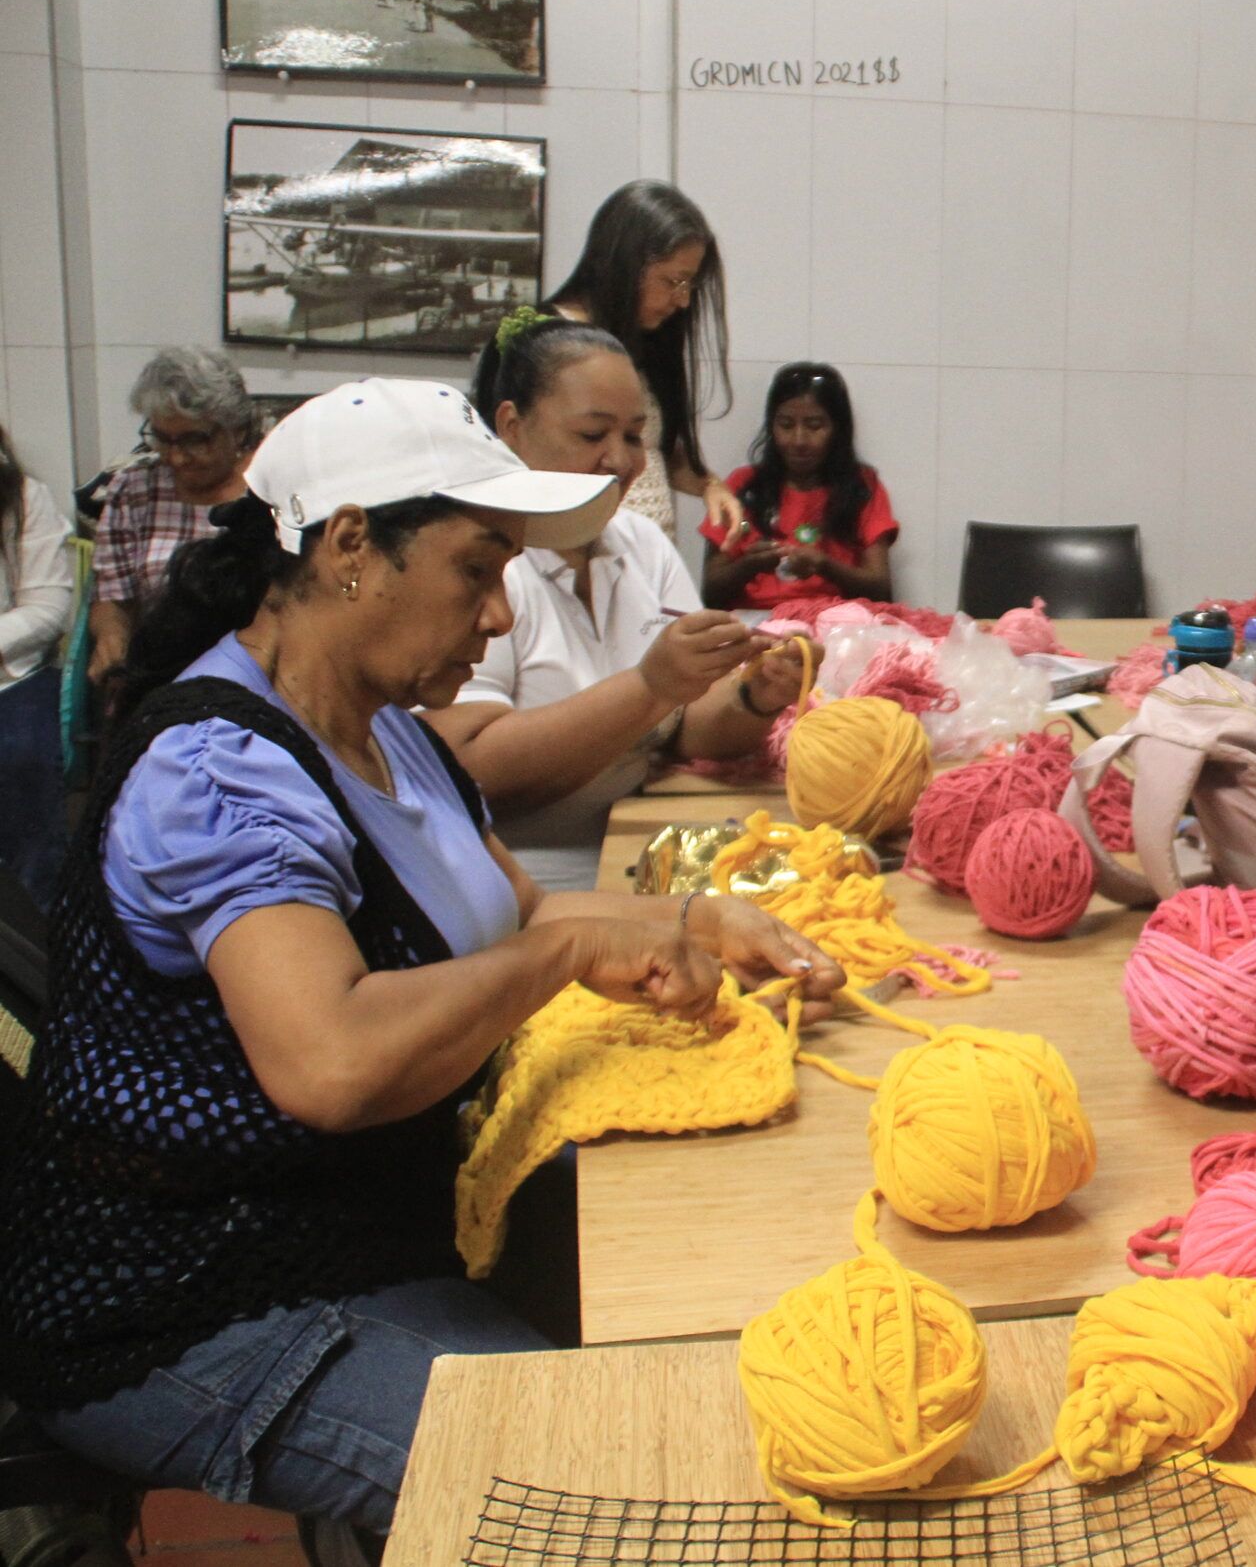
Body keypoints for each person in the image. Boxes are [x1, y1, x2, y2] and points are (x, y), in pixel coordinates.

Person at [0, 378, 845, 1535]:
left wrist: (699, 924)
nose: (499, 617)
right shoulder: (218, 771)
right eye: (475, 571)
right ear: (352, 548)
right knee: (621, 1489)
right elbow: (332, 1061)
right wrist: (571, 957)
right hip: (195, 1299)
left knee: (709, 1321)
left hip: (367, 1227)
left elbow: (517, 920)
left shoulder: (387, 726)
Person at [429, 313, 804, 892]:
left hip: (631, 851)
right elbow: (465, 766)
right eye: (591, 435)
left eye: (633, 436)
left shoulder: (641, 545)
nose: (620, 460)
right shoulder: (478, 565)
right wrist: (650, 685)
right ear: (512, 426)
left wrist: (755, 697)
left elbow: (683, 729)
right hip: (516, 882)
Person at [494, 180, 747, 543]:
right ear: (625, 264)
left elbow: (660, 447)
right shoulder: (542, 340)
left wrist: (710, 484)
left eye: (690, 285)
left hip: (641, 561)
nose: (683, 301)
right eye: (674, 281)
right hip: (563, 557)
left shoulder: (651, 340)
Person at [89, 347, 258, 685]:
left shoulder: (268, 487)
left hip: (257, 670)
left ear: (236, 430)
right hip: (160, 671)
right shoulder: (135, 487)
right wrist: (113, 639)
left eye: (195, 440)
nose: (177, 458)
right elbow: (112, 597)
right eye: (163, 439)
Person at [700, 362, 897, 611]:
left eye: (814, 426)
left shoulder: (862, 487)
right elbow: (710, 593)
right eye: (786, 425)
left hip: (834, 627)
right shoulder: (742, 485)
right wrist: (750, 565)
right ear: (771, 426)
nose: (799, 440)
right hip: (753, 629)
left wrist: (825, 566)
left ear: (838, 430)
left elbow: (881, 590)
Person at [0, 421, 74, 905]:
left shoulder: (24, 497)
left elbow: (47, 610)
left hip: (11, 678)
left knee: (21, 755)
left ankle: (40, 931)